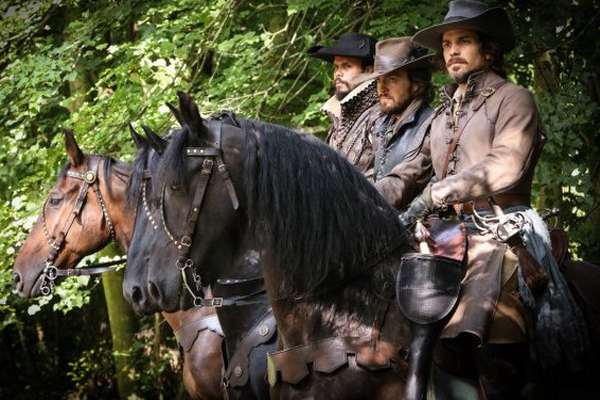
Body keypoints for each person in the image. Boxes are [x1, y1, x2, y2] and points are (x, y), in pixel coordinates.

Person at [375, 1, 589, 399]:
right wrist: (357, 199)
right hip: (444, 234)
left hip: (503, 228)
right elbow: (407, 173)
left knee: (490, 328)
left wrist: (438, 192)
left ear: (488, 50)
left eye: (464, 41)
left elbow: (505, 164)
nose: (452, 50)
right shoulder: (441, 116)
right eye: (447, 44)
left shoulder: (514, 99)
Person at [353, 37, 436, 196]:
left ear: (416, 84)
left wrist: (362, 199)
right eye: (378, 80)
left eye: (392, 80)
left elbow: (407, 179)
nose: (382, 89)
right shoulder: (381, 125)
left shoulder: (432, 124)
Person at [307, 32, 380, 177]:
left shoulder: (379, 115)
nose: (338, 73)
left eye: (347, 66)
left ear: (368, 71)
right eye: (336, 67)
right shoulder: (338, 115)